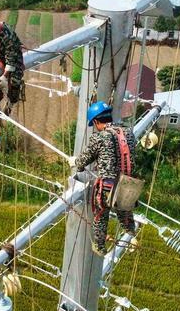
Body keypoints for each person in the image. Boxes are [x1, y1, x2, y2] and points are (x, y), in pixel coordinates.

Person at [68, 101, 137, 256]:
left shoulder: (99, 138)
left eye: (94, 124)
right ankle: (130, 229)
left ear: (97, 121)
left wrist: (75, 162)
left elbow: (82, 163)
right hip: (130, 183)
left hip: (109, 186)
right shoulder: (128, 133)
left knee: (101, 213)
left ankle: (100, 246)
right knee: (124, 208)